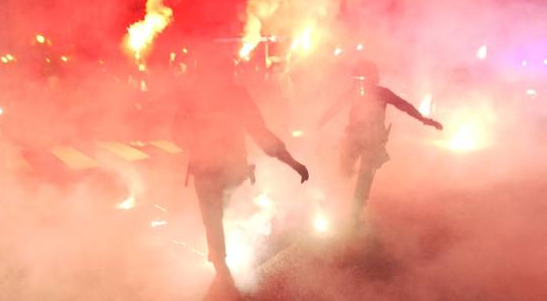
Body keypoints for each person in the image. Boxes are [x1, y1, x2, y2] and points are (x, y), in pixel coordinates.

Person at [172, 52, 309, 281]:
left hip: (215, 170)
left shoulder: (197, 97)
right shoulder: (233, 95)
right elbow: (260, 133)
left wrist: (291, 161)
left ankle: (219, 259)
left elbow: (177, 134)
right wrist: (291, 162)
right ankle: (220, 260)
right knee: (216, 214)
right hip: (226, 170)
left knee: (213, 216)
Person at [318, 60, 443, 225]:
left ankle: (355, 214)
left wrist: (425, 120)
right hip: (354, 138)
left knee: (364, 178)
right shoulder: (354, 92)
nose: (363, 84)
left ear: (373, 79)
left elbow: (405, 106)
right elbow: (335, 107)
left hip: (373, 141)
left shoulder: (382, 93)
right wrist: (320, 122)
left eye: (365, 79)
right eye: (360, 80)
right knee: (344, 173)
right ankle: (332, 204)